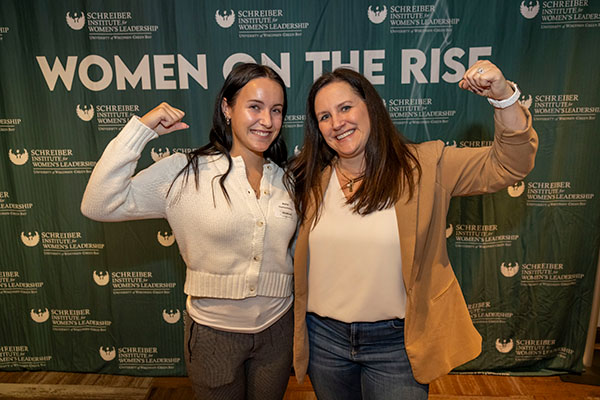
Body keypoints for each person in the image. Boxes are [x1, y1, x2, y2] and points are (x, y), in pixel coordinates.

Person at [284, 60, 538, 399]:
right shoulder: (309, 180)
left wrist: (504, 98)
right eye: (325, 116)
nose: (337, 122)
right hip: (324, 342)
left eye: (345, 107)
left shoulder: (424, 168)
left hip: (397, 347)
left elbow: (509, 164)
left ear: (370, 108)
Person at [81, 63, 297, 400]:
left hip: (278, 331)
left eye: (277, 110)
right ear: (227, 108)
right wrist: (140, 130)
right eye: (254, 107)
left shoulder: (286, 180)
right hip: (213, 334)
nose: (267, 121)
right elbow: (99, 204)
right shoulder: (184, 171)